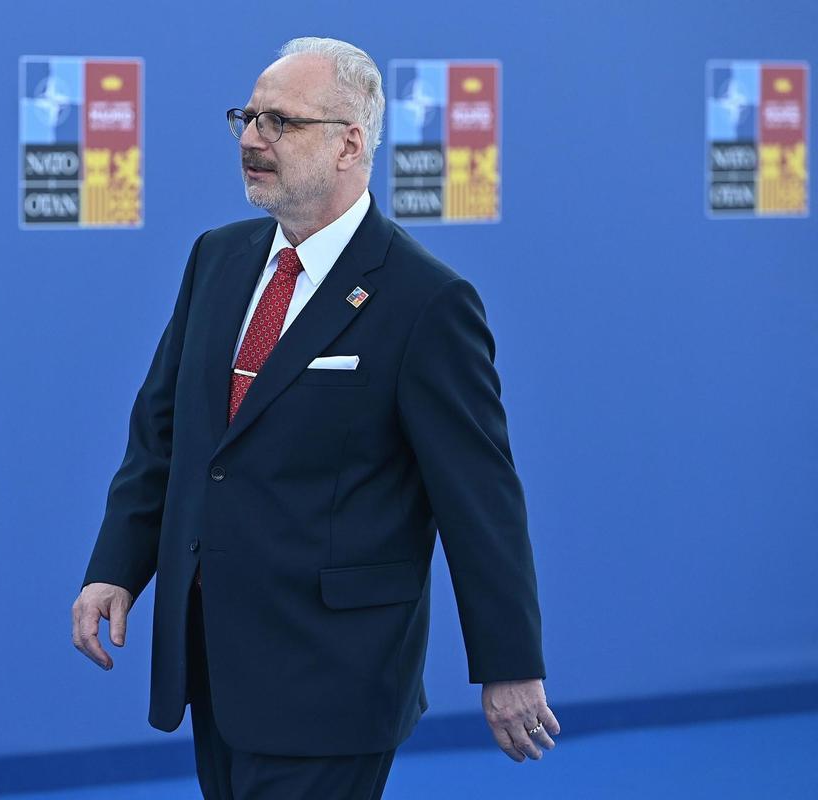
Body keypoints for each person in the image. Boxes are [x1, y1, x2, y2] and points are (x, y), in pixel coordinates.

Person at [71, 36, 559, 799]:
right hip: (213, 662)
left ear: (350, 144)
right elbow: (165, 438)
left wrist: (508, 663)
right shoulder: (216, 259)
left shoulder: (424, 301)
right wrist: (117, 567)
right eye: (247, 117)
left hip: (335, 673)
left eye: (280, 122)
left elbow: (480, 499)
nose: (252, 138)